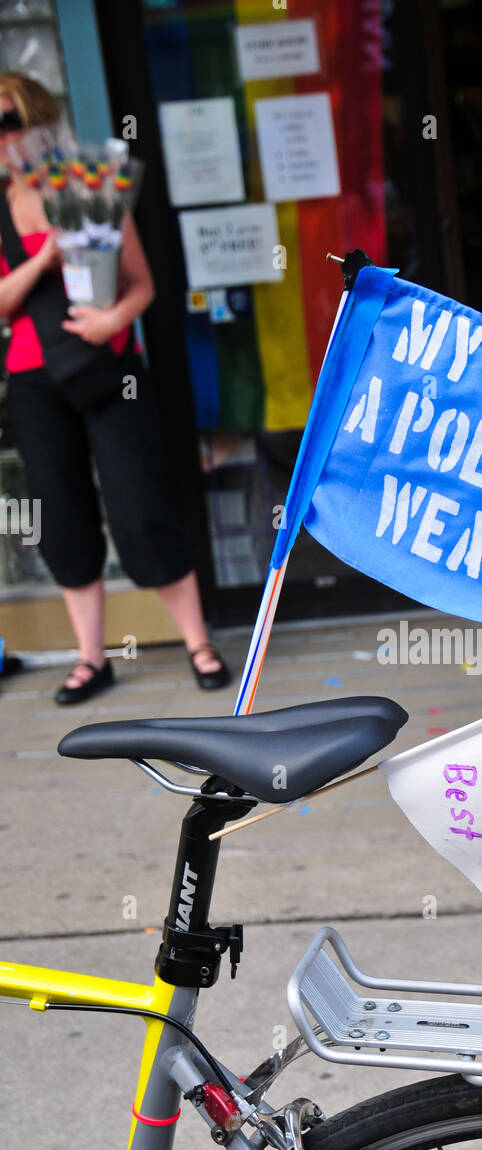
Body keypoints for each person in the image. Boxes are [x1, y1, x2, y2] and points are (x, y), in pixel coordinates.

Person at [0, 72, 230, 703]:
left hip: (110, 372)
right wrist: (42, 261)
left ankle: (198, 641)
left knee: (139, 509)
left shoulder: (87, 186)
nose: (1, 137)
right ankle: (91, 659)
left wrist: (111, 321)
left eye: (8, 120)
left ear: (39, 121)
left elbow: (143, 284)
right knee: (61, 517)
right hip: (33, 380)